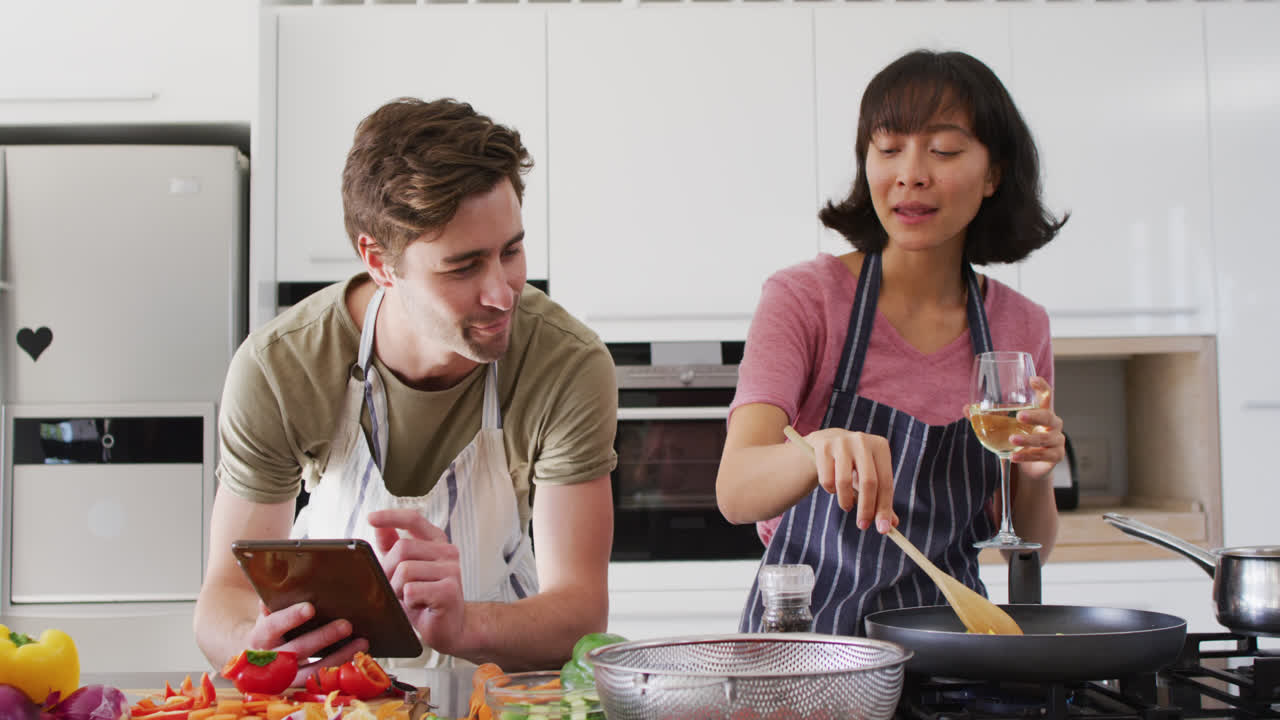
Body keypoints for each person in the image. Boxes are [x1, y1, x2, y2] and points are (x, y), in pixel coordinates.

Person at [194, 97, 618, 676]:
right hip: (334, 698)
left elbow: (579, 611)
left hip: (500, 693)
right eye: (464, 266)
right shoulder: (281, 368)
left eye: (511, 251)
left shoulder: (565, 365)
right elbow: (223, 599)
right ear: (379, 261)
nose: (502, 293)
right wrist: (261, 648)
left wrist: (465, 623)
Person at [716, 50, 1068, 636]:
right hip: (807, 645)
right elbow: (735, 491)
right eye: (888, 148)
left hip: (952, 647)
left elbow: (1027, 546)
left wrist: (1034, 470)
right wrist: (816, 450)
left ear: (993, 174)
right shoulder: (806, 299)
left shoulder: (1019, 326)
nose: (911, 173)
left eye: (945, 150)